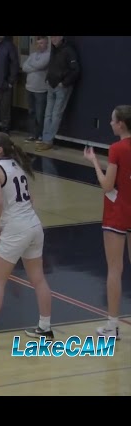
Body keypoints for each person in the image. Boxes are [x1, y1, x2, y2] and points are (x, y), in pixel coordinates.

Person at [0, 132, 53, 339]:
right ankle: (45, 327)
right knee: (38, 279)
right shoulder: (17, 164)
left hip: (15, 228)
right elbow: (31, 198)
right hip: (34, 225)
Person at [83, 105, 131, 340]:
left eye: (112, 120)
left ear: (121, 123)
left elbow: (107, 185)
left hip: (117, 214)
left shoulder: (117, 149)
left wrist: (93, 161)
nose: (110, 123)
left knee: (115, 270)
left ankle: (112, 327)